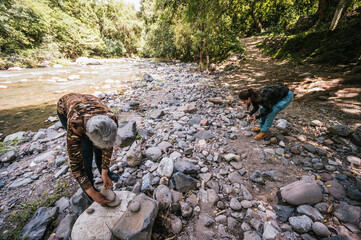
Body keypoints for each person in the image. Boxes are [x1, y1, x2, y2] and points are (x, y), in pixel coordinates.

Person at [57, 93, 119, 204]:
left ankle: (104, 173)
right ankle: (89, 182)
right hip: (65, 106)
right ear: (86, 133)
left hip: (88, 104)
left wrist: (104, 171)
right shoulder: (75, 125)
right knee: (85, 152)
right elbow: (76, 166)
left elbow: (108, 145)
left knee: (100, 148)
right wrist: (92, 193)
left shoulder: (111, 119)